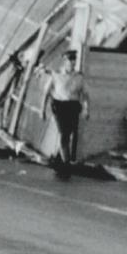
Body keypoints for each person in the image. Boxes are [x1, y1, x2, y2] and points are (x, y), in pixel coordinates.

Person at [41, 50, 89, 179]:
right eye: (69, 60)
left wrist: (86, 109)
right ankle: (66, 165)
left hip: (73, 107)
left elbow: (85, 95)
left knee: (68, 134)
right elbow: (46, 93)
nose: (72, 63)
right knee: (63, 134)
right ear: (65, 61)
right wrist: (42, 110)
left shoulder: (79, 77)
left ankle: (58, 160)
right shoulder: (56, 75)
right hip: (59, 106)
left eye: (74, 60)